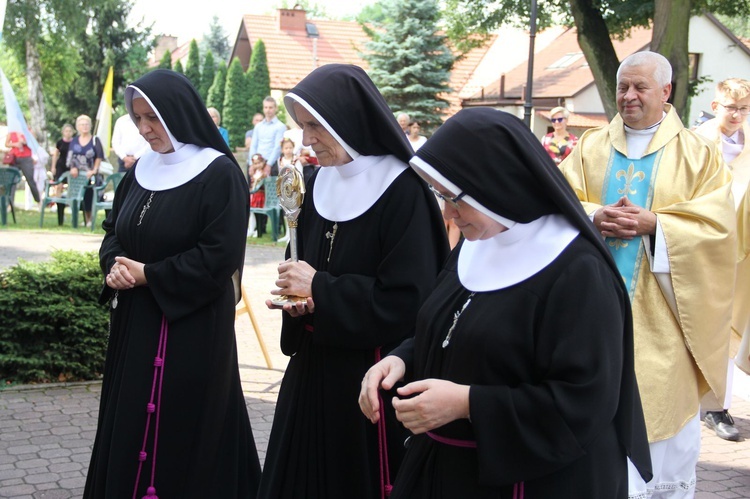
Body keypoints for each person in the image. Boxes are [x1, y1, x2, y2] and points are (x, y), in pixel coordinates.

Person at [360, 106, 652, 498]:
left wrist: (468, 403)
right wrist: (402, 358)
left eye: (454, 198)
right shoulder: (477, 241)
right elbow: (454, 328)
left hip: (532, 483)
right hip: (447, 469)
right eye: (439, 195)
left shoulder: (577, 271)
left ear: (494, 182)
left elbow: (584, 400)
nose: (447, 213)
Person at [257, 64, 449, 499]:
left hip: (369, 379)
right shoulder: (313, 183)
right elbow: (308, 276)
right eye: (302, 127)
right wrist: (301, 301)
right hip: (309, 373)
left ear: (346, 121)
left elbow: (411, 300)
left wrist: (320, 288)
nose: (306, 140)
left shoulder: (403, 190)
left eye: (315, 127)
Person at [560, 51, 736, 498]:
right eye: (623, 87)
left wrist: (657, 225)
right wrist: (595, 214)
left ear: (666, 91)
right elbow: (554, 203)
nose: (630, 96)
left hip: (664, 322)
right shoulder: (590, 147)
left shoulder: (699, 154)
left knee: (661, 426)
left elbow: (719, 230)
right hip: (590, 313)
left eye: (640, 87)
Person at [84, 69, 261, 498]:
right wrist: (114, 267)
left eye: (153, 118)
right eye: (138, 118)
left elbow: (218, 258)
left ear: (178, 114)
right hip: (134, 327)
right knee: (130, 423)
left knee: (184, 433)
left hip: (190, 333)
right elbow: (114, 231)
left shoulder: (218, 173)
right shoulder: (142, 168)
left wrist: (150, 274)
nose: (145, 130)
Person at [695, 77, 750, 442]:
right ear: (716, 106)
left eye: (744, 109)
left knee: (732, 323)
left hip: (742, 247)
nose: (737, 115)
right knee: (704, 323)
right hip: (703, 244)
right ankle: (707, 404)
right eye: (731, 107)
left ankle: (718, 404)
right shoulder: (695, 141)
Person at [67, 114, 104, 227]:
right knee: (79, 196)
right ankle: (82, 219)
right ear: (78, 126)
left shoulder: (95, 140)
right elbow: (70, 156)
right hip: (77, 175)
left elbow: (99, 156)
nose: (85, 127)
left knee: (89, 196)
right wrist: (72, 167)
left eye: (87, 124)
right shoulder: (74, 140)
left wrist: (94, 169)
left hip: (91, 174)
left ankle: (90, 219)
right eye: (82, 124)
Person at [249, 97, 287, 170]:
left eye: (270, 107)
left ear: (276, 108)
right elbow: (253, 145)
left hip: (272, 164)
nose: (268, 110)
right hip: (257, 163)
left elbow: (277, 147)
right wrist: (252, 164)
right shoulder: (258, 126)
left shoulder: (280, 126)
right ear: (263, 109)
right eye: (266, 107)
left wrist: (269, 165)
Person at [5, 128, 40, 205]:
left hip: (26, 158)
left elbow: (33, 142)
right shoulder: (12, 131)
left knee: (30, 180)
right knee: (11, 180)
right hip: (14, 158)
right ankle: (10, 203)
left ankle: (38, 201)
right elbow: (6, 144)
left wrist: (24, 142)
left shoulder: (28, 130)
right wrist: (15, 144)